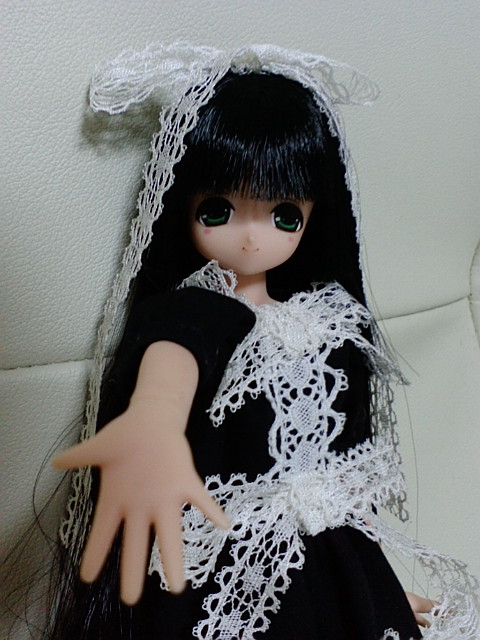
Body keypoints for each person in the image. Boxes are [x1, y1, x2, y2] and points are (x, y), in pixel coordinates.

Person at [45, 44, 478, 639]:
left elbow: (344, 477)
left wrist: (371, 584)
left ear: (314, 215)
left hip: (330, 568)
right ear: (181, 206)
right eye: (218, 209)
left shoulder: (330, 320)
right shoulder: (198, 307)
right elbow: (176, 350)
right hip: (228, 575)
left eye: (284, 215)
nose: (251, 239)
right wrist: (152, 419)